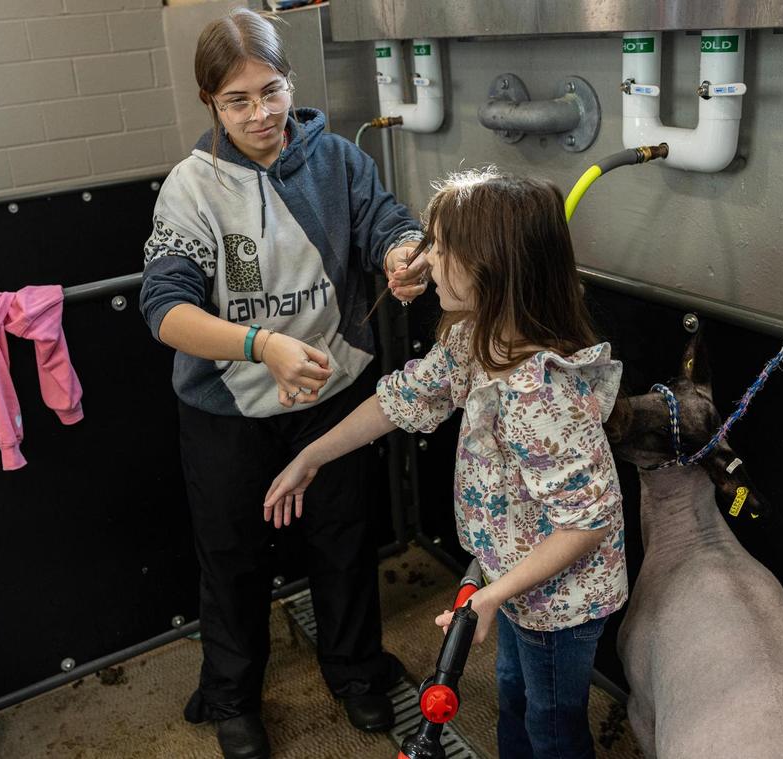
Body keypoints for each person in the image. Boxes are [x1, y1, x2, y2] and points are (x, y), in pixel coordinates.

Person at [138, 9, 429, 759]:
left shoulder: (336, 160)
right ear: (211, 102)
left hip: (330, 395)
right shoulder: (191, 189)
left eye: (270, 91)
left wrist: (402, 258)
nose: (260, 113)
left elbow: (387, 223)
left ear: (289, 81)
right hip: (226, 408)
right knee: (232, 554)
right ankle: (233, 696)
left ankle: (356, 669)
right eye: (237, 100)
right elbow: (164, 309)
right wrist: (260, 345)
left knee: (343, 538)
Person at [265, 170, 628, 759]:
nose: (425, 260)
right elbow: (401, 399)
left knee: (553, 723)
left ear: (491, 264)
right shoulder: (475, 340)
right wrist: (312, 455)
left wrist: (489, 595)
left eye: (439, 245)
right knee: (513, 692)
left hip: (562, 601)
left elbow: (587, 523)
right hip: (511, 581)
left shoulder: (540, 395)